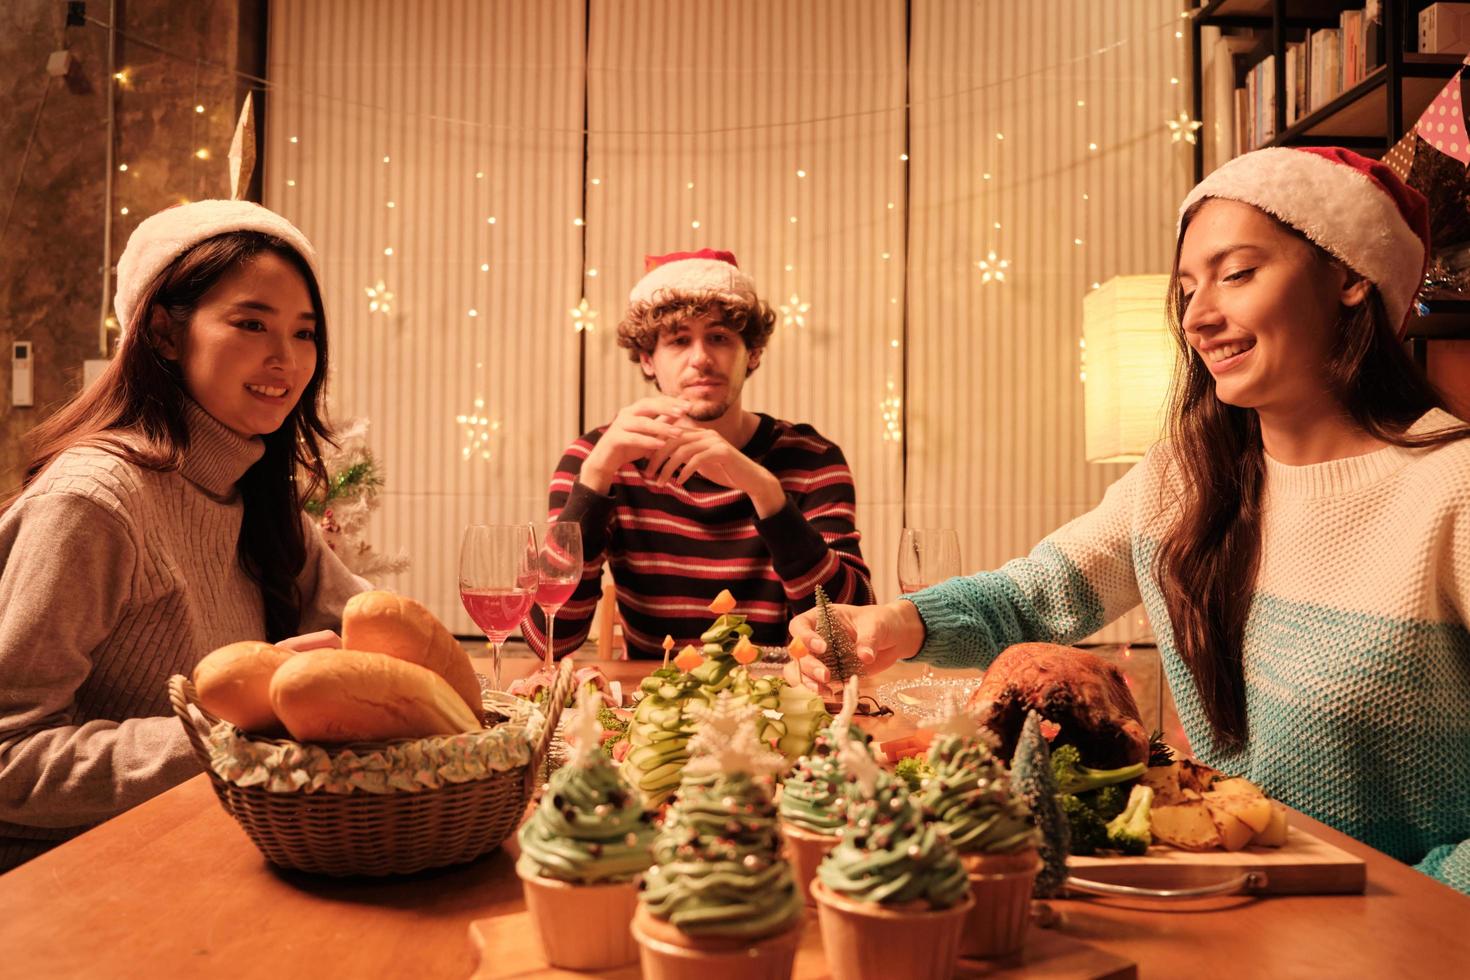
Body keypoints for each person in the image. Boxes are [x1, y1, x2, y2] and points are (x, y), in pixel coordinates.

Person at [792, 147, 1470, 894]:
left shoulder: (1450, 489)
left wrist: (1420, 903)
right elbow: (1039, 594)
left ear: (1350, 276)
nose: (1200, 315)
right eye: (1187, 287)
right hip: (1222, 906)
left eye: (1237, 273)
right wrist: (896, 623)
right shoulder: (1187, 472)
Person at [0, 200, 368, 872]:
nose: (285, 359)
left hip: (209, 854)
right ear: (166, 334)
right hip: (71, 886)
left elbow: (368, 630)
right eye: (251, 323)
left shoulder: (257, 496)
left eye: (305, 332)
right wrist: (234, 737)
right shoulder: (94, 501)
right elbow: (9, 757)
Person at [527, 248, 873, 660]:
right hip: (648, 708)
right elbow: (548, 641)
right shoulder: (596, 457)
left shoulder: (812, 460)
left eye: (720, 338)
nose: (701, 359)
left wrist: (766, 492)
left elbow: (849, 639)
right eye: (678, 341)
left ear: (753, 354)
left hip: (778, 705)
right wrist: (596, 477)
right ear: (647, 359)